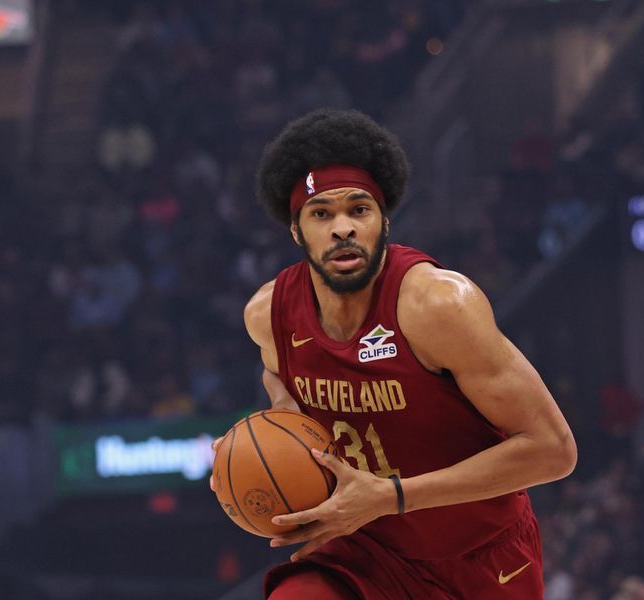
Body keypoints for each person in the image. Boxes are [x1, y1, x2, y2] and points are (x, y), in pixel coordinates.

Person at [211, 109, 577, 599]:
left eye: (359, 210)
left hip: (477, 554)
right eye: (322, 213)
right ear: (297, 230)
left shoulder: (439, 306)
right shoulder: (268, 315)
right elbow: (284, 390)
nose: (343, 228)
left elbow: (553, 451)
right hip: (362, 549)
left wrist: (390, 497)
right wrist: (264, 440)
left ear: (384, 220)